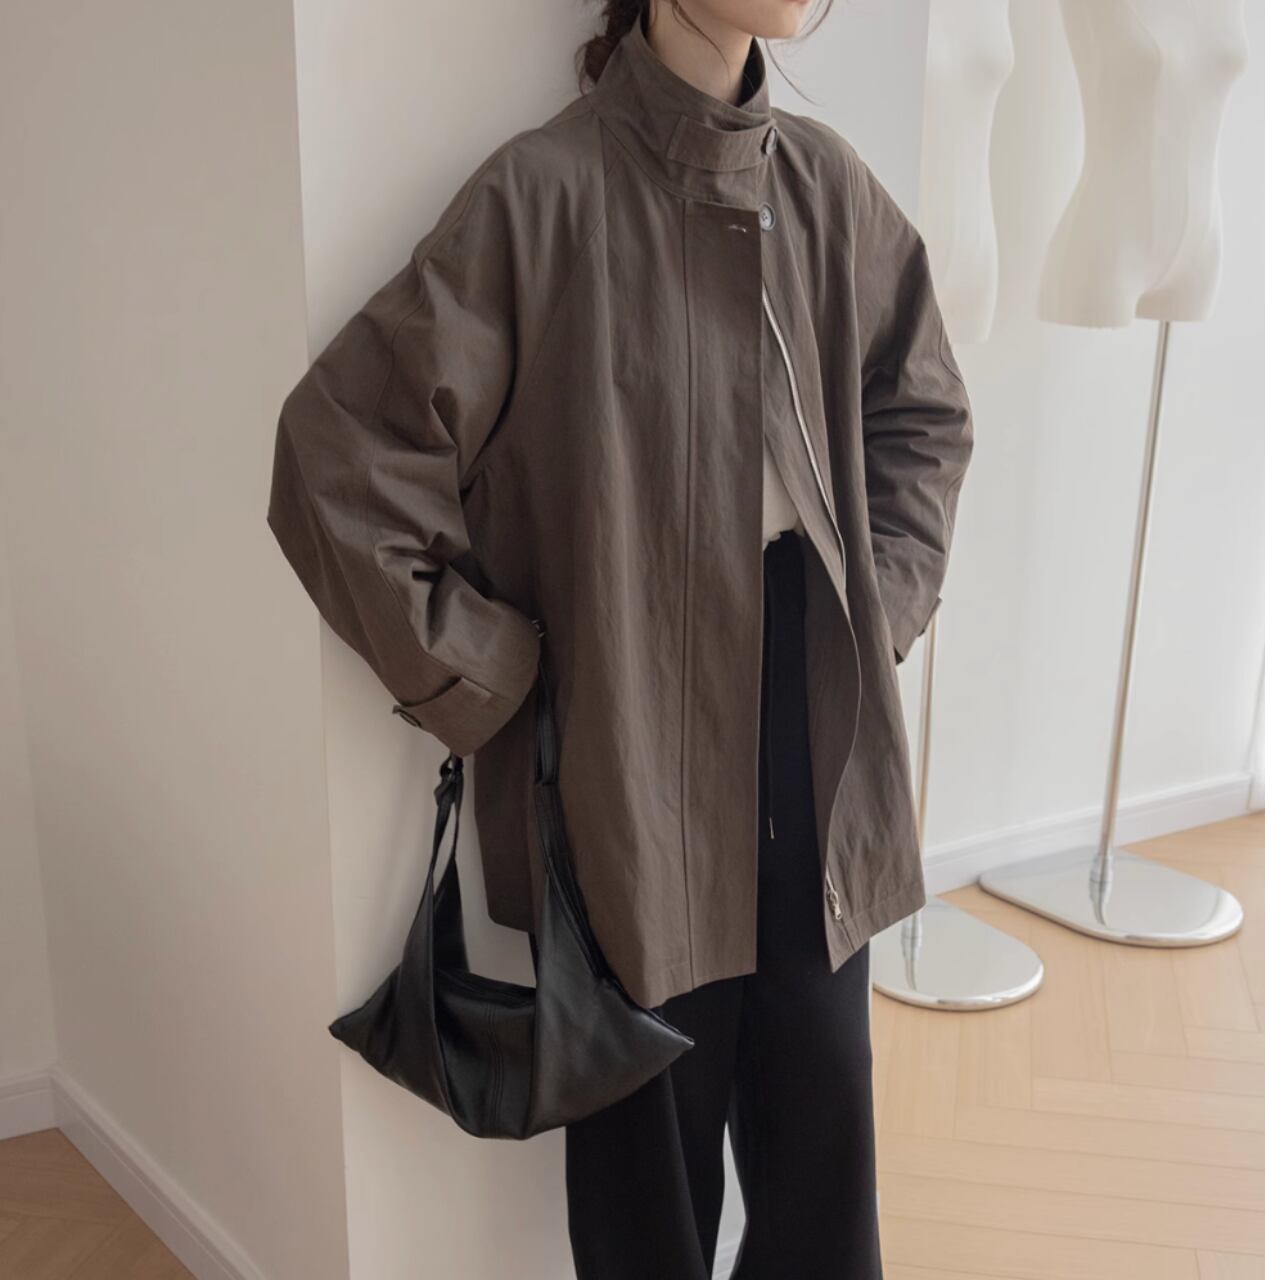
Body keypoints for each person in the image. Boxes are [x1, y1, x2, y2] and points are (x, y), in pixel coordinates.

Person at [267, 1, 974, 1275]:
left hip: (812, 724)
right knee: (647, 1193)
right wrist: (493, 676)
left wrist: (881, 609)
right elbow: (337, 458)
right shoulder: (543, 197)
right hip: (627, 746)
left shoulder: (823, 187)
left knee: (824, 1166)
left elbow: (920, 412)